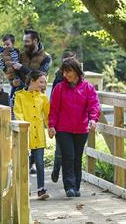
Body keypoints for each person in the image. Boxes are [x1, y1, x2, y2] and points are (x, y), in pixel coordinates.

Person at [48, 58, 100, 197]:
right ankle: (69, 187)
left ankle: (76, 187)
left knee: (77, 158)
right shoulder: (59, 88)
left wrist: (93, 119)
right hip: (63, 128)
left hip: (81, 128)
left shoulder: (88, 88)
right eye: (64, 72)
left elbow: (94, 105)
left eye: (69, 71)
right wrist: (51, 125)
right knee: (68, 156)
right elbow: (54, 109)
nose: (66, 75)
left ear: (76, 71)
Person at [12, 29, 52, 173]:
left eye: (27, 41)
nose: (24, 44)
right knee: (19, 125)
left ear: (35, 41)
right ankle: (20, 161)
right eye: (24, 41)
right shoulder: (20, 55)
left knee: (35, 126)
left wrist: (22, 68)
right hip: (20, 95)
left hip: (37, 97)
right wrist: (14, 80)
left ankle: (32, 162)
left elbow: (41, 75)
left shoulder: (47, 58)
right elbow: (13, 73)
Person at [13, 70, 50, 200]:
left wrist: (51, 127)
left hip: (38, 134)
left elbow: (47, 116)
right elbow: (18, 112)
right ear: (32, 81)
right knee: (25, 163)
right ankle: (24, 189)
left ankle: (41, 190)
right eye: (41, 81)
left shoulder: (43, 97)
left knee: (40, 163)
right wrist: (24, 125)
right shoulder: (19, 96)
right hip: (25, 134)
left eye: (44, 82)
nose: (44, 84)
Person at [50, 50, 76, 183]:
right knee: (60, 151)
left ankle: (71, 180)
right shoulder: (58, 79)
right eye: (66, 60)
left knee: (73, 153)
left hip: (76, 122)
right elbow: (53, 100)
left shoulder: (79, 79)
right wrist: (52, 123)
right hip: (61, 120)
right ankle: (56, 169)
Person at [0, 34, 22, 99]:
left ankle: (14, 98)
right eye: (4, 45)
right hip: (11, 74)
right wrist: (6, 69)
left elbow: (20, 59)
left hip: (19, 72)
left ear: (13, 43)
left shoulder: (17, 51)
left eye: (7, 44)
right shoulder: (3, 54)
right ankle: (11, 98)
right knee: (15, 85)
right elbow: (0, 64)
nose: (5, 46)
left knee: (20, 86)